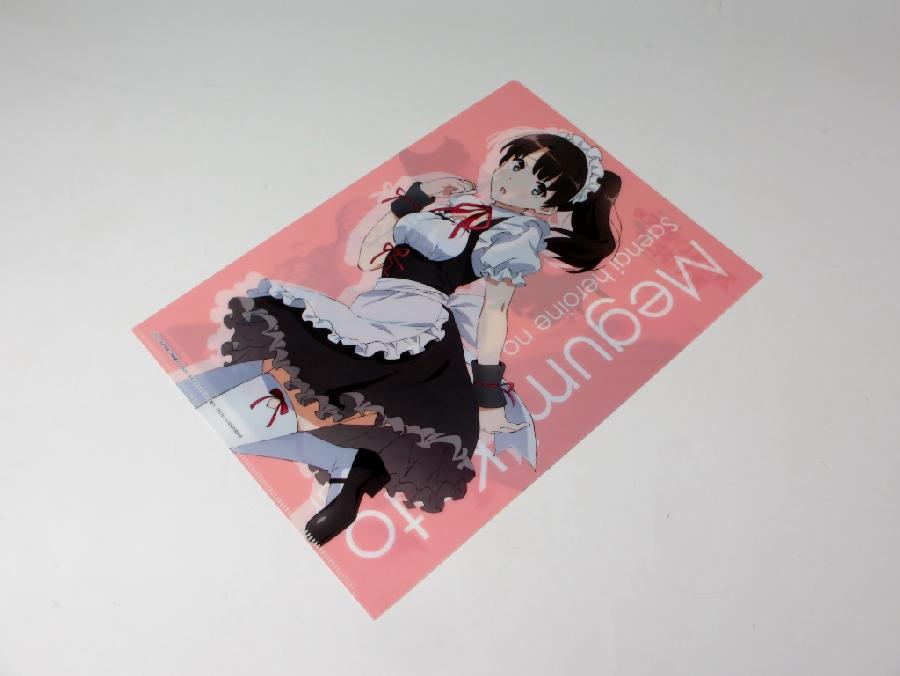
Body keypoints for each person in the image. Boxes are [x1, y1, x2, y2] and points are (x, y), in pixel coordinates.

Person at [177, 131, 622, 546]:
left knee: (289, 394)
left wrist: (488, 390)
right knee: (280, 386)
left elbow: (495, 312)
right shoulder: (458, 203)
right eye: (517, 164)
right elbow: (370, 256)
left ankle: (344, 466)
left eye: (537, 185)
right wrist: (414, 199)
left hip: (412, 323)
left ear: (547, 206)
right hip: (372, 305)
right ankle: (348, 467)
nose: (513, 179)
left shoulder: (516, 234)